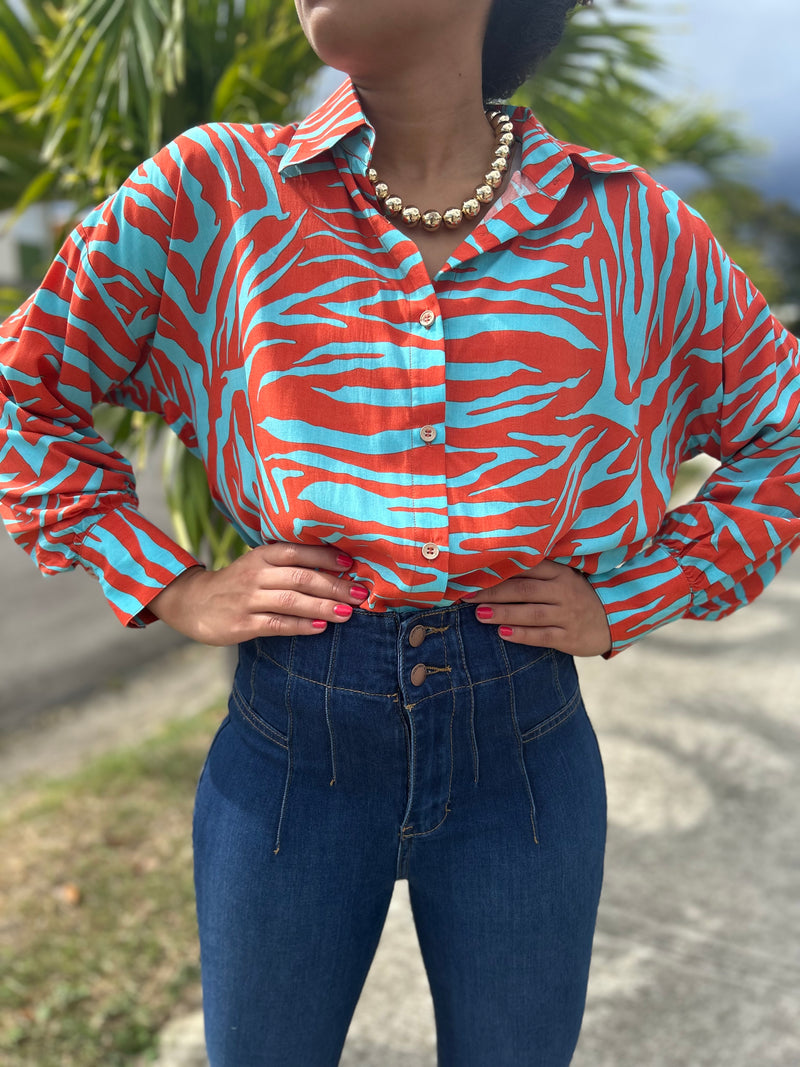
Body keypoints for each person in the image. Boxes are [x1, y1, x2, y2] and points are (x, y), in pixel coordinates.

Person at [1, 0, 798, 1063]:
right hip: (292, 739)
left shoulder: (627, 230)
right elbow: (26, 391)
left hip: (521, 743)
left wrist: (634, 592)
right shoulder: (215, 194)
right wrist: (170, 583)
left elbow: (780, 439)